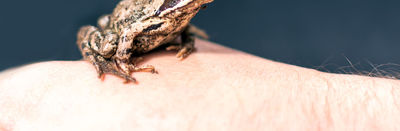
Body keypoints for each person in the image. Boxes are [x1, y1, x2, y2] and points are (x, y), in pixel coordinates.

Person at [0, 39, 399, 130]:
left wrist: (331, 115)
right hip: (124, 27)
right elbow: (127, 34)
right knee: (106, 41)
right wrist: (122, 68)